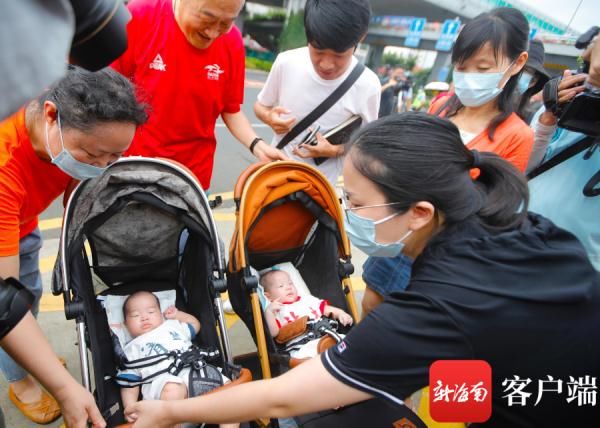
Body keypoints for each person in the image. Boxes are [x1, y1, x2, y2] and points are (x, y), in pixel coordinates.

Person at [123, 113, 600, 427]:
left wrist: (170, 412)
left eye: (355, 202)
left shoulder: (438, 303)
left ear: (419, 212)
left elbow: (282, 399)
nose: (346, 212)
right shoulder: (524, 227)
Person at [362, 7, 535, 316]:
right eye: (462, 66)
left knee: (409, 323)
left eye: (483, 68)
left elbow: (496, 209)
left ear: (517, 63)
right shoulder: (441, 107)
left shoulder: (517, 135)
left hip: (444, 253)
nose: (469, 77)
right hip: (405, 233)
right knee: (372, 303)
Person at [0, 65, 147, 425]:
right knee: (17, 304)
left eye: (112, 158)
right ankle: (20, 379)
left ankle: (30, 361)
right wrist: (65, 387)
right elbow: (4, 300)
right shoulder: (4, 166)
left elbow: (79, 184)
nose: (101, 166)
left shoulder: (76, 133)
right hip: (9, 223)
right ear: (51, 115)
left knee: (30, 295)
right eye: (92, 155)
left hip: (24, 221)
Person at [112, 0, 286, 190]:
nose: (213, 33)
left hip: (192, 178)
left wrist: (258, 146)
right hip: (134, 168)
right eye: (207, 18)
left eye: (226, 23)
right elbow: (110, 90)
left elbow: (230, 109)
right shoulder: (140, 16)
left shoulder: (232, 42)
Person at [254, 0, 380, 185]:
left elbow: (366, 144)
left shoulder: (368, 85)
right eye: (318, 50)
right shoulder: (286, 62)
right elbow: (260, 106)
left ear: (360, 37)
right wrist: (268, 117)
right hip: (273, 177)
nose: (326, 64)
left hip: (319, 190)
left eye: (339, 55)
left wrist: (333, 150)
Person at [119, 291, 238, 428]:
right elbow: (129, 382)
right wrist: (130, 406)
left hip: (197, 371)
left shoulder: (172, 326)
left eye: (151, 312)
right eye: (135, 315)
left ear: (160, 313)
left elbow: (195, 325)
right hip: (164, 381)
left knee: (230, 390)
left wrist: (177, 315)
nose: (144, 318)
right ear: (126, 324)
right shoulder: (131, 348)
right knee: (172, 389)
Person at [261, 269, 353, 359]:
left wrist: (341, 313)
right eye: (281, 286)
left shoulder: (307, 300)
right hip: (302, 345)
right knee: (304, 358)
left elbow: (326, 309)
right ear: (268, 296)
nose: (288, 287)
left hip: (328, 335)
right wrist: (269, 313)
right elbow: (273, 333)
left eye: (290, 283)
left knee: (348, 341)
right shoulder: (276, 311)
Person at [515, 39, 550, 123]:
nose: (516, 72)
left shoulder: (528, 120)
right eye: (516, 65)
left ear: (533, 82)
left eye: (526, 70)